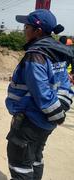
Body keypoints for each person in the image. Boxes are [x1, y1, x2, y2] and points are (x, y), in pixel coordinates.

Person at [5, 9, 74, 180]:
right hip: (45, 121)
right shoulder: (57, 51)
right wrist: (60, 111)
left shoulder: (36, 55)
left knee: (20, 163)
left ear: (38, 31)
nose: (23, 29)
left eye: (26, 26)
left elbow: (41, 91)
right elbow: (65, 84)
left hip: (31, 120)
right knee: (35, 157)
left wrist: (56, 115)